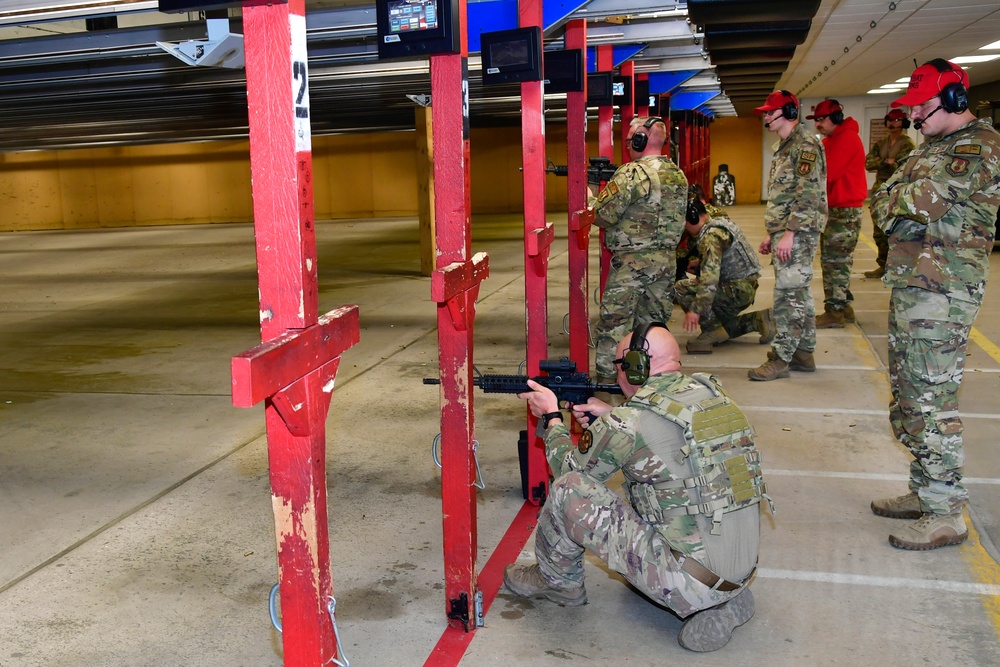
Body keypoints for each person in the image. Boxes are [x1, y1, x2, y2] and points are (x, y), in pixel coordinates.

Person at [504, 323, 766, 652]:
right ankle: (726, 601)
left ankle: (557, 583)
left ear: (635, 366)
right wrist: (613, 414)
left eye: (619, 365)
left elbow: (567, 470)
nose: (617, 375)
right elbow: (672, 443)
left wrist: (552, 418)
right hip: (740, 568)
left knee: (569, 490)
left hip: (686, 581)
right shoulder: (715, 397)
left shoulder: (626, 424)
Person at [869, 59, 1000, 550]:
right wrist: (897, 198)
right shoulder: (933, 147)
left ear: (954, 100)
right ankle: (925, 491)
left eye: (922, 108)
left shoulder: (979, 146)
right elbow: (881, 201)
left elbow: (919, 201)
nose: (915, 118)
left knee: (932, 401)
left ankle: (946, 512)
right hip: (915, 287)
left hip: (944, 295)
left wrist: (898, 199)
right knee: (908, 397)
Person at [588, 116, 688, 380]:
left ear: (641, 140)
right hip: (666, 262)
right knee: (653, 326)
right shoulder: (678, 174)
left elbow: (603, 216)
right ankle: (652, 377)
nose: (629, 144)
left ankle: (609, 383)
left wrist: (591, 198)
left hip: (632, 265)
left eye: (631, 139)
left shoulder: (632, 173)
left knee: (615, 324)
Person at [749, 90, 828, 381]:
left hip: (800, 231)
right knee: (800, 294)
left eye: (771, 112)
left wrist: (790, 233)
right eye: (766, 113)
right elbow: (786, 193)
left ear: (790, 114)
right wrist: (776, 233)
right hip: (790, 230)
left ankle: (782, 358)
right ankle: (803, 353)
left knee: (788, 296)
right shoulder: (785, 145)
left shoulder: (804, 144)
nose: (766, 117)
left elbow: (808, 194)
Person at [675, 199, 776, 354]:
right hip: (744, 285)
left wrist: (696, 310)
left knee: (681, 288)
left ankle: (711, 330)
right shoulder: (718, 223)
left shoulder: (710, 237)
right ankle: (758, 319)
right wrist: (701, 263)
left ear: (692, 218)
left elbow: (710, 280)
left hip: (737, 290)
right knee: (719, 319)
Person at [806, 99, 868, 328]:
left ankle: (834, 312)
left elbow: (826, 174)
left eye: (821, 120)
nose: (818, 125)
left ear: (836, 118)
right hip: (836, 209)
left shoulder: (847, 139)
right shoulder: (832, 139)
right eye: (817, 121)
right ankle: (843, 306)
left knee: (836, 262)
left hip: (844, 211)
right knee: (834, 261)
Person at [865, 109, 916, 279]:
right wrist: (886, 162)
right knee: (879, 230)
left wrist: (882, 162)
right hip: (880, 187)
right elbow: (868, 163)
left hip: (897, 187)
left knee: (895, 228)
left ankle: (897, 266)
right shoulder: (881, 143)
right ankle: (883, 264)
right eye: (890, 120)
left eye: (897, 120)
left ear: (904, 123)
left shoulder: (907, 144)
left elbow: (904, 167)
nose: (893, 124)